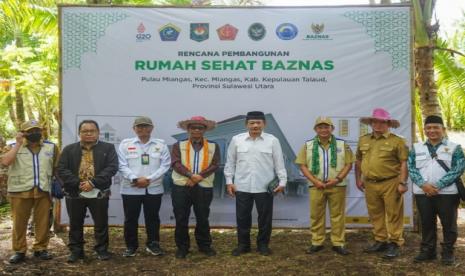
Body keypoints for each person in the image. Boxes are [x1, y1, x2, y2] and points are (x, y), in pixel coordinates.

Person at [224, 111, 287, 256]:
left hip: (264, 187)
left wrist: (282, 182)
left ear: (264, 124)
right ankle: (243, 245)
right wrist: (229, 182)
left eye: (258, 122)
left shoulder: (272, 140)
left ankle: (263, 245)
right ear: (246, 124)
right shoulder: (237, 140)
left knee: (265, 218)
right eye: (252, 123)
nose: (255, 125)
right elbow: (230, 163)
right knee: (242, 217)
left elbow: (279, 164)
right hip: (242, 186)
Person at [57, 120, 118, 263]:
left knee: (101, 223)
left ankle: (102, 250)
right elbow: (62, 169)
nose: (89, 133)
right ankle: (76, 251)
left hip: (98, 191)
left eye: (92, 130)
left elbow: (112, 167)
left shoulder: (108, 148)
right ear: (79, 133)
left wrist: (93, 183)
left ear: (98, 132)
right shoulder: (69, 149)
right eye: (85, 131)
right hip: (74, 192)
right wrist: (78, 184)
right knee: (75, 223)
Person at [407, 115, 465, 265]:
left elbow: (458, 169)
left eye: (436, 127)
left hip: (447, 193)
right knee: (426, 223)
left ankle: (447, 253)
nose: (432, 130)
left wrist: (438, 185)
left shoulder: (455, 148)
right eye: (429, 128)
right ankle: (428, 251)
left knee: (449, 224)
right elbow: (411, 167)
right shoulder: (416, 147)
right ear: (425, 130)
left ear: (443, 129)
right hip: (422, 193)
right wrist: (423, 185)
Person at [1, 120, 58, 264]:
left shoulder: (51, 147)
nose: (35, 133)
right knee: (19, 223)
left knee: (43, 222)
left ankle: (40, 248)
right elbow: (5, 162)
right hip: (19, 191)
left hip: (43, 190)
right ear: (23, 133)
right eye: (30, 131)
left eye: (37, 130)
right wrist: (19, 144)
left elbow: (57, 167)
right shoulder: (12, 146)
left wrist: (57, 184)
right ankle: (19, 250)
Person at [355, 108, 409, 259]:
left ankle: (395, 242)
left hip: (391, 182)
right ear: (371, 123)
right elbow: (358, 160)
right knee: (375, 213)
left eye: (382, 122)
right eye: (375, 121)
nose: (378, 125)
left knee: (394, 213)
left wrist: (403, 183)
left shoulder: (398, 140)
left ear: (388, 123)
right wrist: (358, 179)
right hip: (370, 183)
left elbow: (404, 163)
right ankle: (380, 240)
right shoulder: (364, 139)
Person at [295, 117, 353, 255]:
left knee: (338, 215)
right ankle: (317, 241)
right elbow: (302, 165)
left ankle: (338, 243)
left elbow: (349, 164)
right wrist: (315, 181)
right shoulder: (308, 145)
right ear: (315, 129)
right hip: (316, 186)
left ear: (332, 128)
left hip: (337, 186)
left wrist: (338, 179)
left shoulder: (342, 144)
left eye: (326, 127)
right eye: (320, 127)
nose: (323, 130)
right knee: (316, 215)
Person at [117, 116, 171, 257]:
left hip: (153, 188)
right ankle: (131, 246)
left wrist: (148, 179)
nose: (142, 129)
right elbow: (121, 165)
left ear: (151, 128)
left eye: (146, 126)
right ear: (134, 129)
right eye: (139, 126)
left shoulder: (161, 144)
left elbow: (165, 165)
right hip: (130, 188)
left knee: (152, 218)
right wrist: (135, 179)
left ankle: (153, 244)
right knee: (130, 219)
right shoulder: (125, 144)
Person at [171, 116, 220, 259]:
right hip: (181, 186)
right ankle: (182, 247)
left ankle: (204, 245)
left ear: (205, 130)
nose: (197, 130)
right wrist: (190, 175)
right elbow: (175, 163)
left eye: (200, 127)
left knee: (203, 217)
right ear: (188, 129)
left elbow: (215, 164)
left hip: (204, 186)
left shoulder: (213, 145)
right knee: (181, 218)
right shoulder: (178, 145)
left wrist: (199, 177)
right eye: (193, 127)